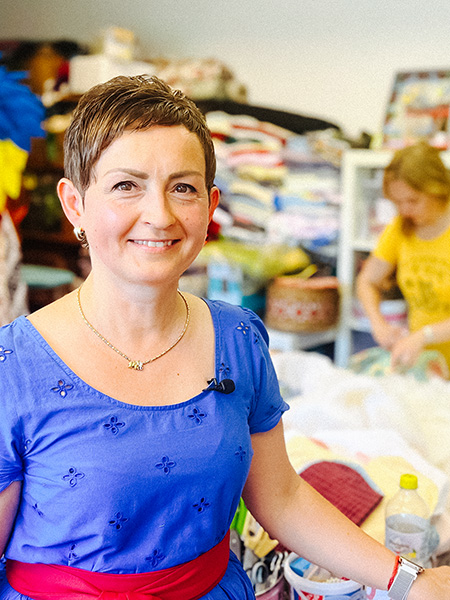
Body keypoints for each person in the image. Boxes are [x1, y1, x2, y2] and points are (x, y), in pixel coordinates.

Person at [0, 76, 449, 600]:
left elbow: (281, 498)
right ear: (74, 204)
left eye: (183, 187)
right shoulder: (16, 367)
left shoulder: (238, 339)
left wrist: (409, 581)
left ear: (210, 205)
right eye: (127, 185)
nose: (160, 214)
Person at [357, 141, 450, 374]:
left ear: (437, 189)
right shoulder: (401, 228)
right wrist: (379, 325)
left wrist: (424, 335)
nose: (405, 210)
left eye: (413, 201)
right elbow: (367, 281)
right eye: (398, 202)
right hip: (428, 364)